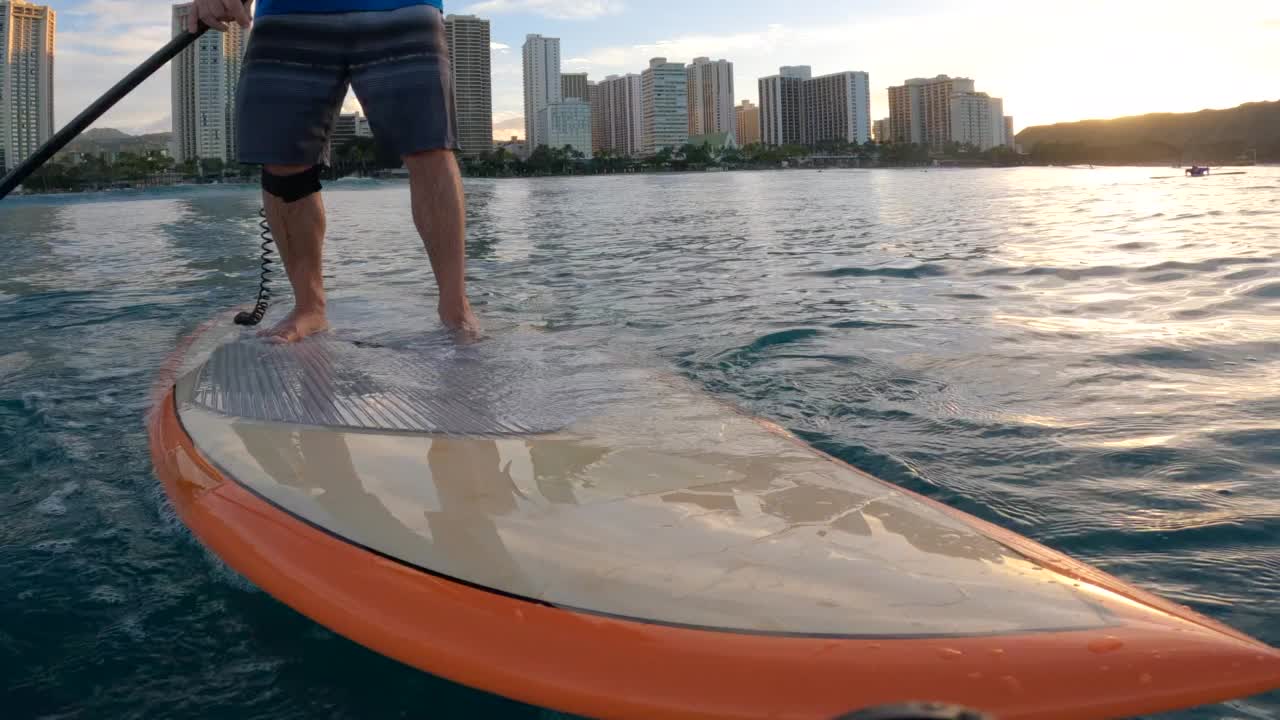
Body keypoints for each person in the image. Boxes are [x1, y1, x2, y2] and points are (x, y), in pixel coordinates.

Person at [188, 0, 479, 342]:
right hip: (288, 12)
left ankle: (455, 308)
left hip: (400, 5)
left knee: (428, 146)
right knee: (283, 161)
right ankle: (309, 307)